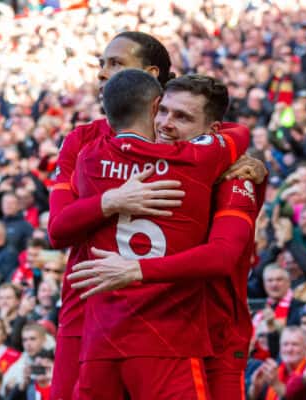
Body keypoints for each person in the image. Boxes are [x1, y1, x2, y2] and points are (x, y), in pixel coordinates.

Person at [69, 69, 248, 398]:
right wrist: (109, 202)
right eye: (162, 111)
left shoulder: (93, 156)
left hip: (210, 335)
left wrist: (107, 205)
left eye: (181, 116)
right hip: (157, 338)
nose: (165, 123)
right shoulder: (203, 160)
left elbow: (223, 257)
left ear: (211, 130)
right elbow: (241, 133)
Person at [248, 326, 306, 400]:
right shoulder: (276, 370)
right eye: (285, 344)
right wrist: (256, 387)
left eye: (295, 344)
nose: (289, 349)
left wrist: (275, 383)